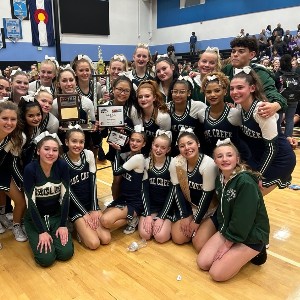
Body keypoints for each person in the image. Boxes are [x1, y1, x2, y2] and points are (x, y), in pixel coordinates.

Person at [196, 139, 269, 282]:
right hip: (229, 229)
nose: (225, 159)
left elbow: (243, 218)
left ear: (237, 158)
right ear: (215, 161)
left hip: (250, 235)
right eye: (220, 156)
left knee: (217, 274)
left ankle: (256, 252)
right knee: (203, 263)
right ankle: (235, 254)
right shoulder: (220, 178)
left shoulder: (245, 182)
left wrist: (227, 245)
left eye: (229, 155)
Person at [230, 67, 296, 196]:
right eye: (232, 88)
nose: (234, 92)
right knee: (241, 194)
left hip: (279, 160)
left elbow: (272, 148)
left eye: (240, 87)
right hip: (259, 158)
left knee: (249, 198)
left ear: (252, 88)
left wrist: (258, 175)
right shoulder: (240, 106)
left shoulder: (261, 110)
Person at [23, 132, 74, 267]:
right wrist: (41, 231)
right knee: (46, 260)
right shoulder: (30, 169)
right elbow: (31, 203)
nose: (51, 153)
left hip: (55, 216)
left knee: (66, 253)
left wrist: (63, 224)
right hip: (35, 218)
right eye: (46, 149)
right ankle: (33, 233)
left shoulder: (62, 166)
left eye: (55, 150)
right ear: (38, 151)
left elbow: (66, 197)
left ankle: (54, 232)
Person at [63, 126, 111, 249]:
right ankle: (76, 227)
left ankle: (86, 228)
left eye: (81, 142)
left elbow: (93, 182)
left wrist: (94, 208)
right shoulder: (62, 162)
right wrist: (84, 213)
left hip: (90, 204)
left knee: (106, 239)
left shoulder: (88, 155)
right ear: (66, 142)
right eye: (74, 141)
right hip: (74, 208)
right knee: (94, 243)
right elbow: (69, 191)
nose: (78, 145)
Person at [168, 130, 218, 248]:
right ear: (178, 148)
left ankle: (210, 229)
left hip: (211, 208)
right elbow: (177, 190)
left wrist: (196, 221)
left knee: (199, 245)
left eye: (190, 143)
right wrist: (185, 215)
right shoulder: (176, 162)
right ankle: (198, 231)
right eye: (182, 146)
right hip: (193, 207)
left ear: (198, 144)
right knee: (178, 238)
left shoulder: (208, 164)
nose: (187, 148)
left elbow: (207, 197)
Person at [222, 37, 287, 118]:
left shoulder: (259, 72)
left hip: (253, 122)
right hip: (231, 120)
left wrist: (276, 105)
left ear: (251, 55)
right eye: (233, 51)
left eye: (241, 51)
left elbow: (273, 94)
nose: (235, 54)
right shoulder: (226, 69)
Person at [100, 125, 147, 235]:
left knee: (105, 221)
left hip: (133, 202)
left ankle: (133, 218)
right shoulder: (129, 155)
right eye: (132, 140)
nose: (134, 143)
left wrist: (117, 150)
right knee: (102, 218)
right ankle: (130, 218)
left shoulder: (138, 158)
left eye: (138, 141)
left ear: (143, 144)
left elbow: (116, 171)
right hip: (123, 199)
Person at [200, 72, 250, 160]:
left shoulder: (235, 113)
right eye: (208, 92)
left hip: (236, 160)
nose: (212, 95)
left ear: (225, 91)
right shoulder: (201, 114)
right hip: (213, 159)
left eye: (217, 90)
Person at [104, 76, 136, 200]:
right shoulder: (106, 106)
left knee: (130, 179)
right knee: (116, 178)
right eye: (119, 89)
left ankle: (129, 203)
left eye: (126, 91)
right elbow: (102, 134)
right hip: (115, 148)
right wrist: (100, 128)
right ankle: (115, 202)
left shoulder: (132, 108)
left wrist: (127, 129)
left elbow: (139, 131)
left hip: (130, 149)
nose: (122, 93)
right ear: (113, 89)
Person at [138, 130, 173, 243]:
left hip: (167, 208)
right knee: (145, 235)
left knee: (160, 237)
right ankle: (143, 217)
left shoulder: (172, 163)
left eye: (163, 147)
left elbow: (172, 193)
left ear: (168, 150)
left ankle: (169, 223)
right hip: (151, 206)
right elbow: (144, 191)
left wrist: (162, 216)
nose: (158, 150)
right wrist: (148, 215)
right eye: (156, 146)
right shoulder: (146, 162)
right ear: (152, 145)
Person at [0, 101, 27, 242]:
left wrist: (22, 182)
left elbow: (13, 164)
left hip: (4, 171)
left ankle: (17, 225)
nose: (9, 123)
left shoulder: (18, 137)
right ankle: (1, 216)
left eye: (13, 119)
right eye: (4, 118)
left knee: (20, 200)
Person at [71, 54, 105, 162]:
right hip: (79, 127)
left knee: (92, 158)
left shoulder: (97, 86)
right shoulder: (73, 88)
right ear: (75, 72)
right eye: (81, 70)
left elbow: (100, 105)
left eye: (87, 70)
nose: (85, 73)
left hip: (94, 127)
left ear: (91, 71)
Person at [131, 80, 171, 156]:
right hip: (140, 153)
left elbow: (165, 142)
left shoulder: (163, 117)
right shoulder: (135, 113)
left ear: (154, 98)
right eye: (140, 97)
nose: (143, 99)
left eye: (147, 96)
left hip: (158, 154)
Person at [167, 79, 206, 156]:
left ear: (189, 93)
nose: (178, 95)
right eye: (175, 91)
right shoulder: (167, 107)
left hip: (194, 151)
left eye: (182, 92)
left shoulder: (198, 106)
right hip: (174, 152)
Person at [274, 54, 300, 139]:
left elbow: (275, 87)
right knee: (290, 119)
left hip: (281, 99)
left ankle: (279, 138)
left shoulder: (278, 74)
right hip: (294, 98)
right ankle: (288, 138)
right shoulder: (295, 73)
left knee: (278, 118)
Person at [18, 95, 43, 167]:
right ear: (23, 116)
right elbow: (12, 161)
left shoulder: (37, 129)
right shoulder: (21, 136)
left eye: (38, 114)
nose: (36, 119)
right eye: (31, 116)